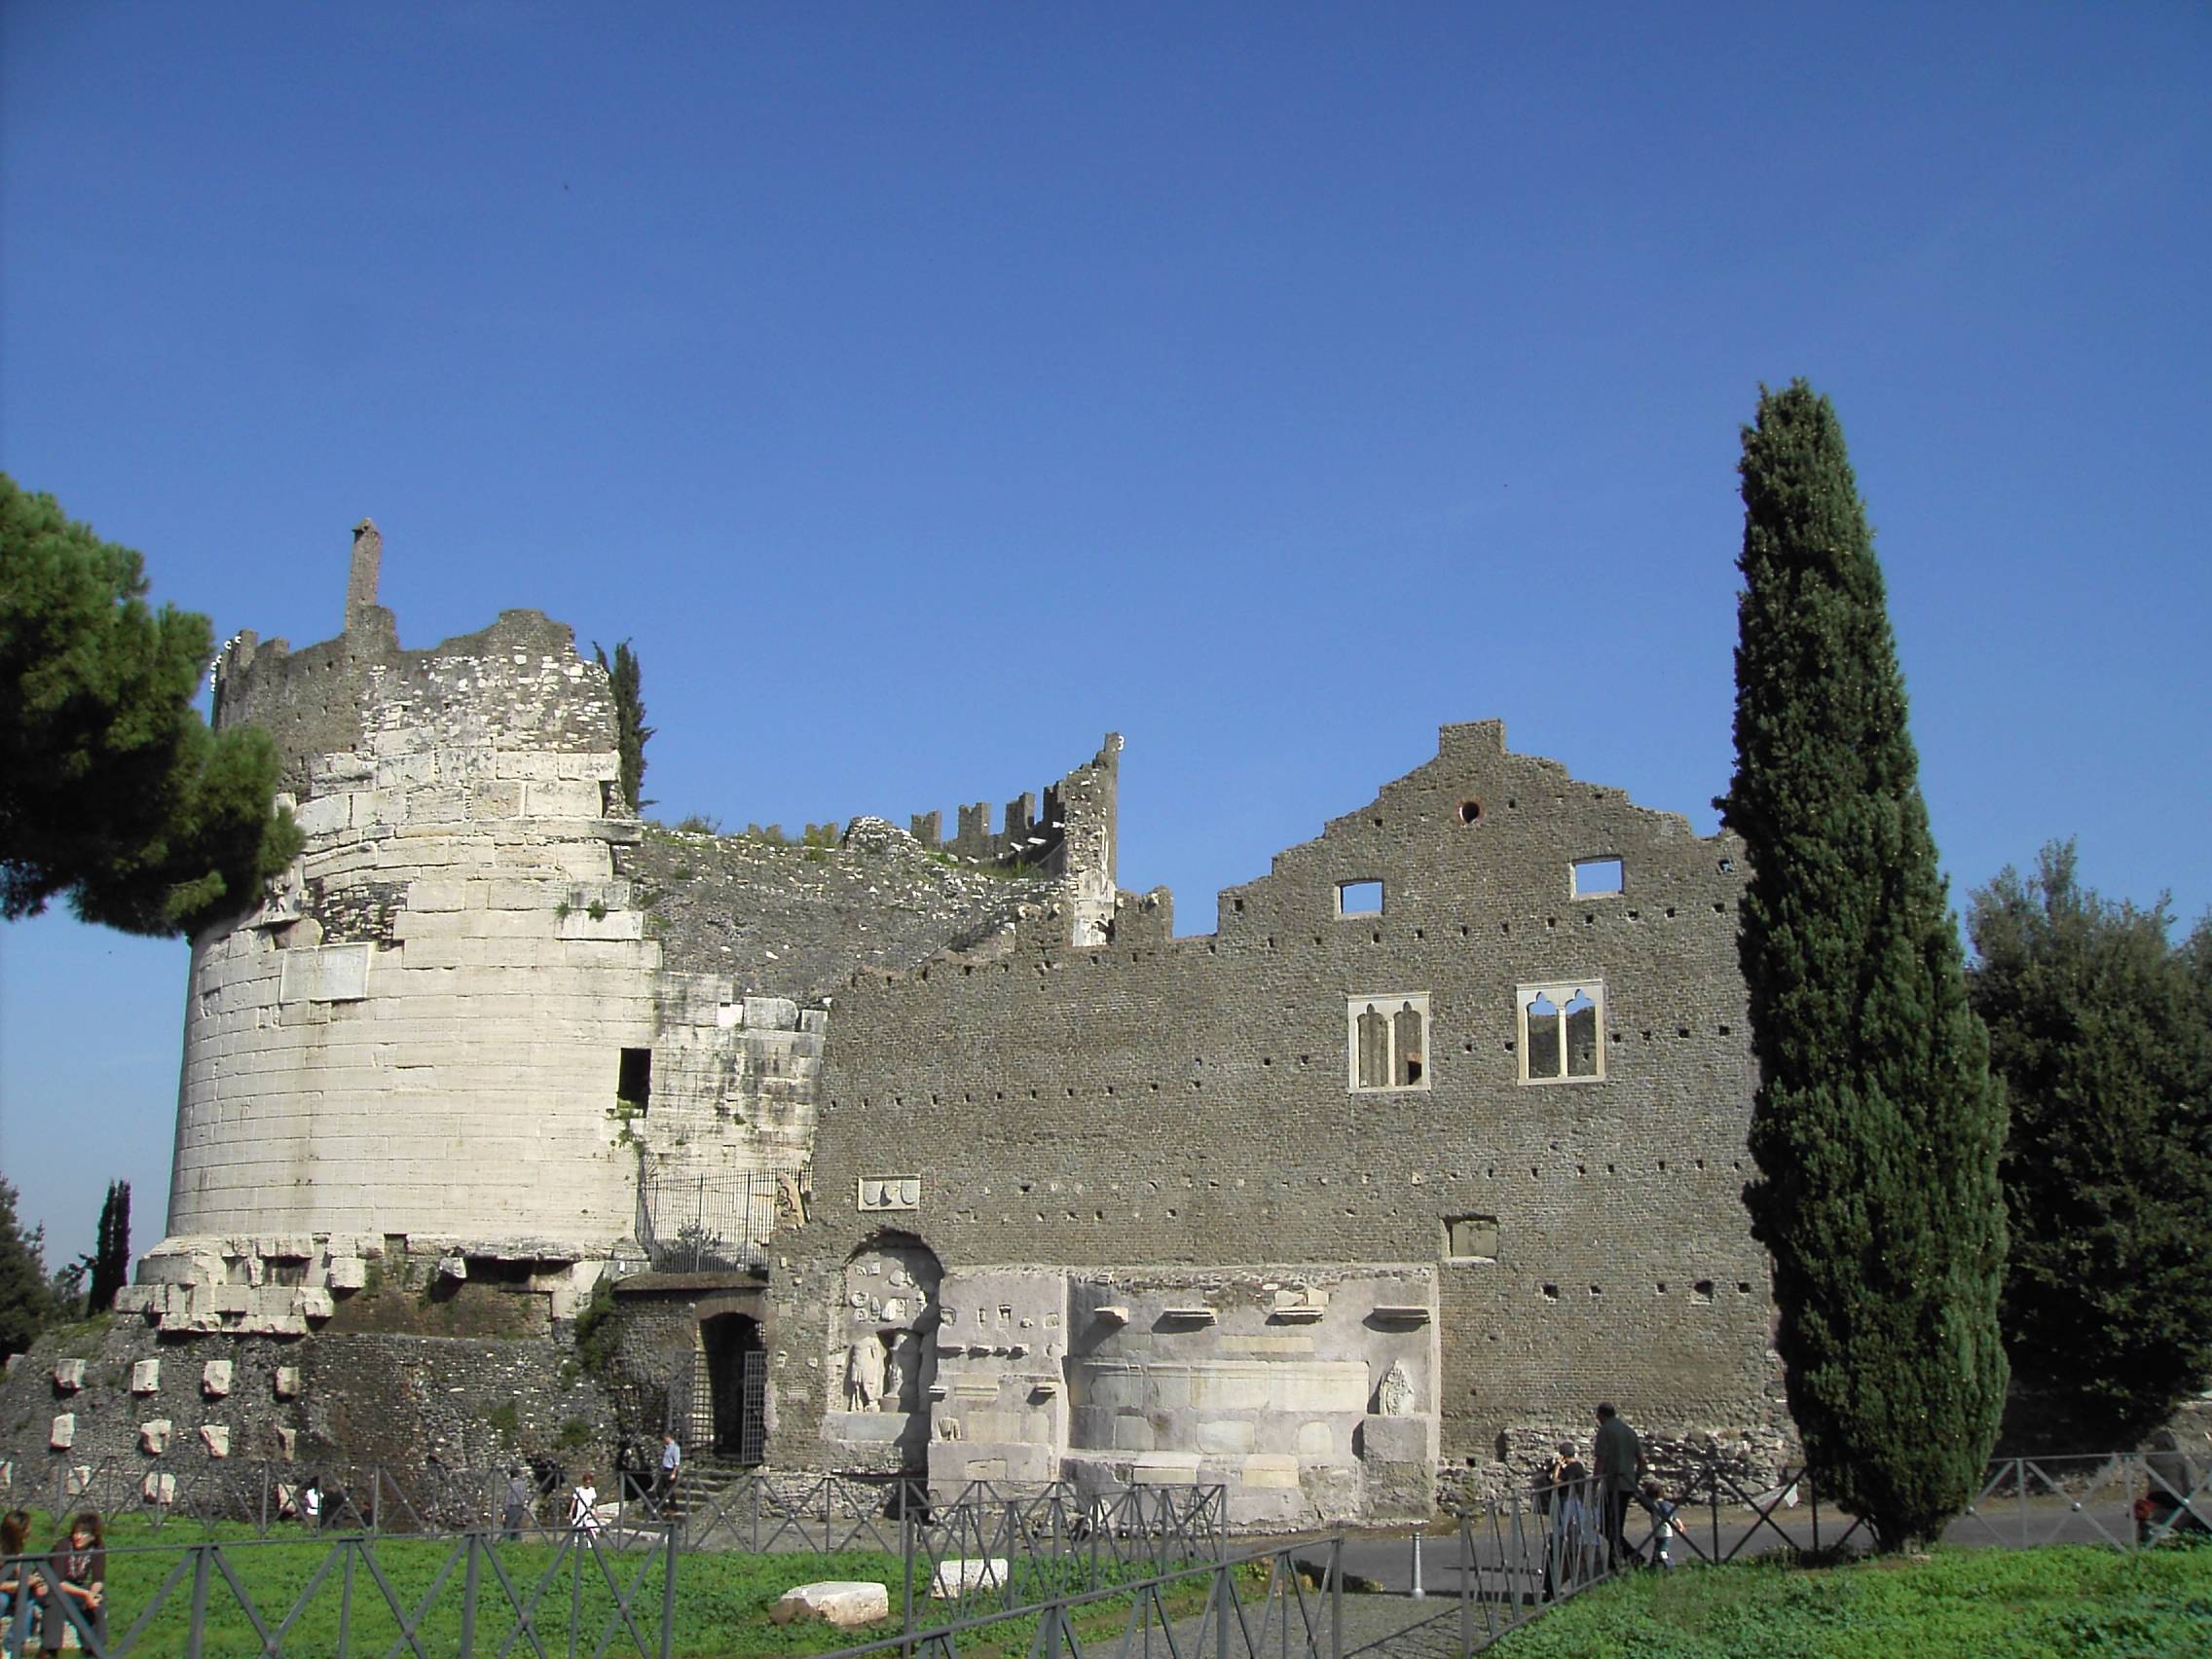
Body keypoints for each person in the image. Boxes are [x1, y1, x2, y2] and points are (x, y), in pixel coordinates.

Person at [39, 1514, 104, 1658]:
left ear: (93, 1535)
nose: (78, 1536)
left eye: (83, 1533)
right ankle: (50, 1650)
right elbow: (58, 1582)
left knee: (99, 1602)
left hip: (75, 1588)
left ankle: (95, 1649)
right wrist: (85, 1594)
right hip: (51, 1588)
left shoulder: (98, 1547)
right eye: (76, 1532)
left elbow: (98, 1579)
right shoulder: (63, 1546)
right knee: (56, 1601)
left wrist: (92, 1595)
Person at [1592, 1403, 1646, 1569]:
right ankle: (1613, 1561)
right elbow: (1642, 1461)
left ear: (1601, 1415)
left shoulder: (1605, 1430)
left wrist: (1594, 1483)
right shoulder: (1630, 1432)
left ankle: (1633, 1556)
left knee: (1607, 1527)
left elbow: (1601, 1459)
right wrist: (1635, 1480)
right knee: (1616, 1525)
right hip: (1627, 1484)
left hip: (1612, 1485)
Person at [1537, 1441, 1591, 1602]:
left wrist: (1559, 1468)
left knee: (1562, 1537)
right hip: (1569, 1502)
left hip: (1569, 1502)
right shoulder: (1574, 1468)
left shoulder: (1574, 1468)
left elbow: (1555, 1481)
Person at [1, 1511, 36, 1649]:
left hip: (11, 1589)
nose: (30, 1531)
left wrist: (29, 1578)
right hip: (3, 1591)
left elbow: (20, 1569)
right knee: (1, 1601)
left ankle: (12, 1645)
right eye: (27, 1527)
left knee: (28, 1599)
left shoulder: (17, 1547)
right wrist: (19, 1583)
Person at [1640, 1480, 1680, 1569]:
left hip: (1665, 1533)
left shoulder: (1661, 1505)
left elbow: (1671, 1514)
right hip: (1660, 1533)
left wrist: (1679, 1524)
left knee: (1662, 1552)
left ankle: (1670, 1566)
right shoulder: (1658, 1504)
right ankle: (1652, 1567)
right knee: (1657, 1552)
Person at [503, 1466, 534, 1541]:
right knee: (517, 1525)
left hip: (512, 1506)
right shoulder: (523, 1484)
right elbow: (526, 1495)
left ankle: (507, 1542)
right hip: (520, 1506)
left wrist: (505, 1510)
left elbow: (508, 1497)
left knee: (509, 1526)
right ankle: (517, 1542)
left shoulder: (511, 1484)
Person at [656, 1432, 682, 1516]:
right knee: (659, 1489)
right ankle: (664, 1507)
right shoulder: (666, 1447)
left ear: (668, 1437)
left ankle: (674, 1507)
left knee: (670, 1490)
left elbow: (677, 1462)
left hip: (671, 1470)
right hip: (665, 1470)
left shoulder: (675, 1447)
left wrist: (674, 1473)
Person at [569, 1471, 603, 1535]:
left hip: (589, 1510)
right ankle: (576, 1542)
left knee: (591, 1527)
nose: (588, 1484)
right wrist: (571, 1512)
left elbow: (594, 1502)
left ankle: (591, 1543)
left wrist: (596, 1513)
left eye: (589, 1483)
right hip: (580, 1510)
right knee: (578, 1526)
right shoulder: (578, 1490)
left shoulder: (592, 1490)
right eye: (587, 1482)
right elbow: (574, 1502)